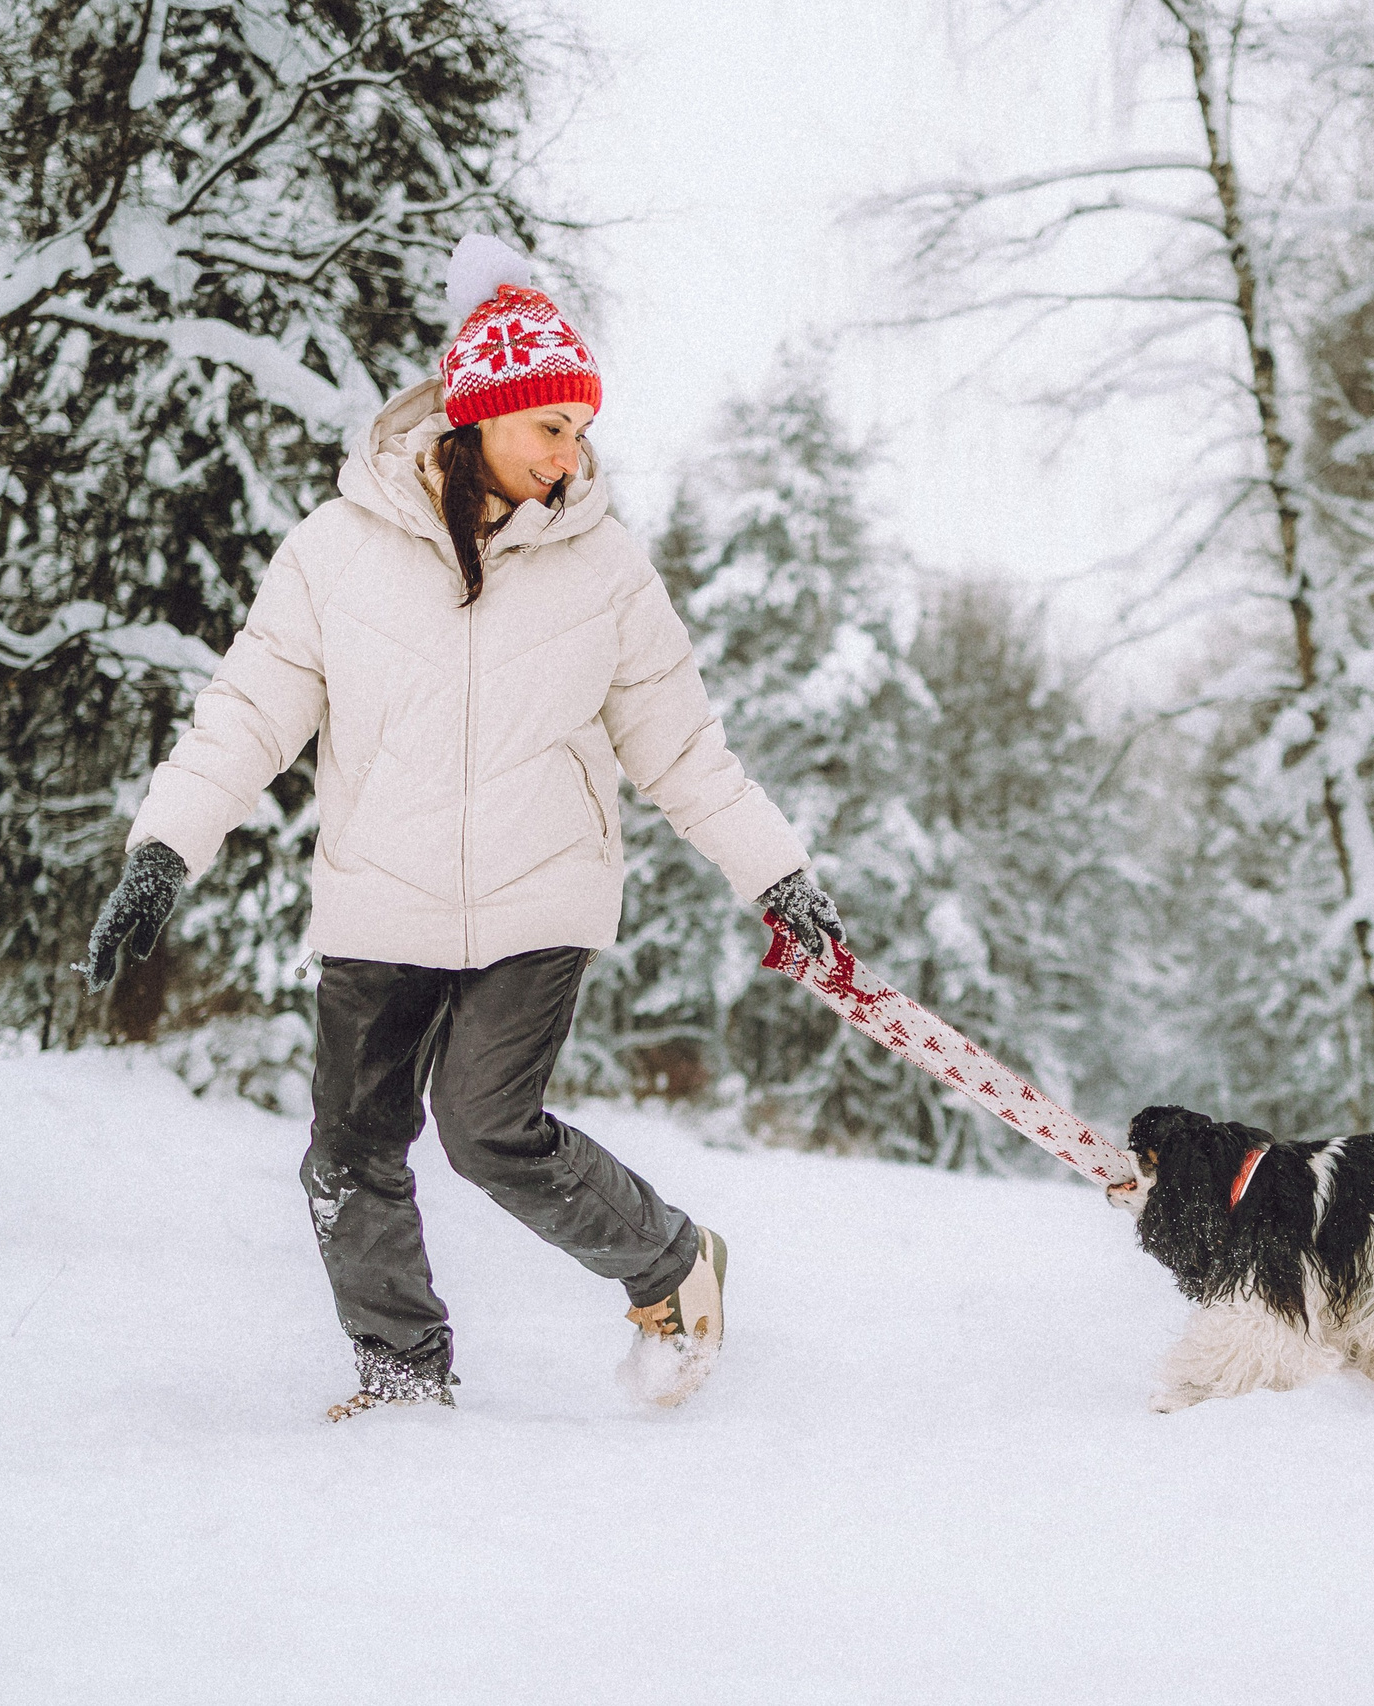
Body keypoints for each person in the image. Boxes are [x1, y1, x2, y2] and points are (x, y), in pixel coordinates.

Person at [77, 235, 846, 1419]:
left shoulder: (606, 570)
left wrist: (777, 876)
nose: (570, 453)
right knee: (350, 1148)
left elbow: (683, 750)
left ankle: (670, 1259)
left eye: (582, 430)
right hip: (382, 889)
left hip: (542, 890)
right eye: (551, 427)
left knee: (486, 1126)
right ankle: (399, 1371)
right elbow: (246, 713)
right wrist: (162, 850)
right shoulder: (336, 553)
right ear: (477, 413)